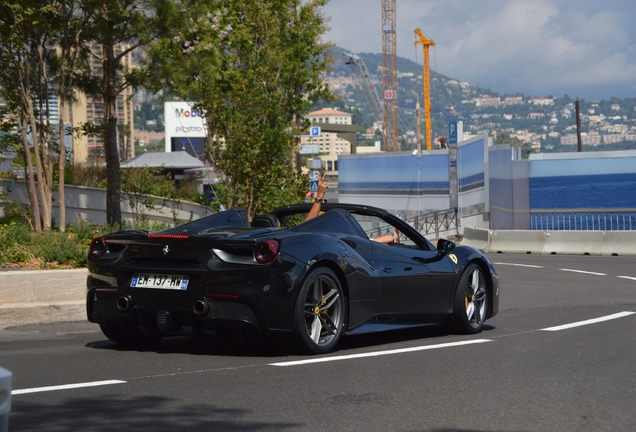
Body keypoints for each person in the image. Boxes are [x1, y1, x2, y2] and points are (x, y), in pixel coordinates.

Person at [304, 174, 398, 245]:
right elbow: (307, 226)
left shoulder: (353, 243)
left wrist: (320, 195)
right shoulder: (353, 243)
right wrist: (319, 195)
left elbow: (389, 238)